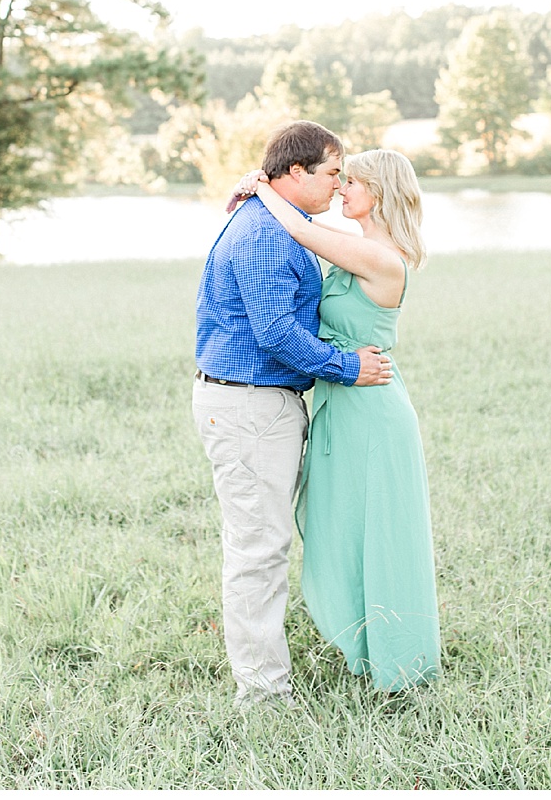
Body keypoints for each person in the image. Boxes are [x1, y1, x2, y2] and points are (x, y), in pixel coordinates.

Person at [192, 120, 393, 704]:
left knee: (267, 540)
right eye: (333, 172)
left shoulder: (280, 222)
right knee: (258, 549)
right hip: (247, 403)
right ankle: (262, 694)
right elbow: (277, 330)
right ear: (297, 171)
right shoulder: (263, 231)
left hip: (261, 403)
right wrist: (347, 366)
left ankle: (268, 674)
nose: (339, 184)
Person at [234, 147, 439, 692]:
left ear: (379, 192)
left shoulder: (382, 257)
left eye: (353, 182)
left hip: (371, 412)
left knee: (382, 532)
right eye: (339, 179)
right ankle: (364, 644)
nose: (342, 190)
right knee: (344, 527)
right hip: (341, 405)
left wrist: (264, 190)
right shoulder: (360, 249)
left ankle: (400, 661)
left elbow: (303, 234)